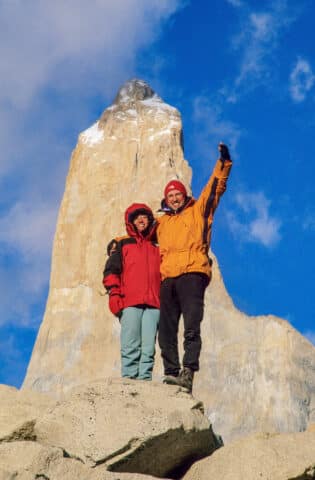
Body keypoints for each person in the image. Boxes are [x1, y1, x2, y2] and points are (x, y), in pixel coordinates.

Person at [156, 142, 232, 393]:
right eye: (170, 195)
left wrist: (223, 163)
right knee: (165, 328)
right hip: (168, 279)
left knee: (191, 327)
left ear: (184, 195)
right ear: (166, 199)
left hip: (192, 274)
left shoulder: (198, 211)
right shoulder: (162, 222)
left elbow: (215, 189)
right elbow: (140, 231)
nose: (175, 198)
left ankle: (188, 373)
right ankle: (171, 372)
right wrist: (119, 242)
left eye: (177, 194)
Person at [103, 203, 160, 381]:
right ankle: (129, 380)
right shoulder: (123, 245)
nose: (141, 220)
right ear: (131, 222)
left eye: (144, 217)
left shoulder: (157, 246)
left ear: (149, 220)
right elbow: (112, 271)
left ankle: (144, 381)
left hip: (154, 303)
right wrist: (114, 294)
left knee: (149, 346)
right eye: (137, 218)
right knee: (130, 344)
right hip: (130, 301)